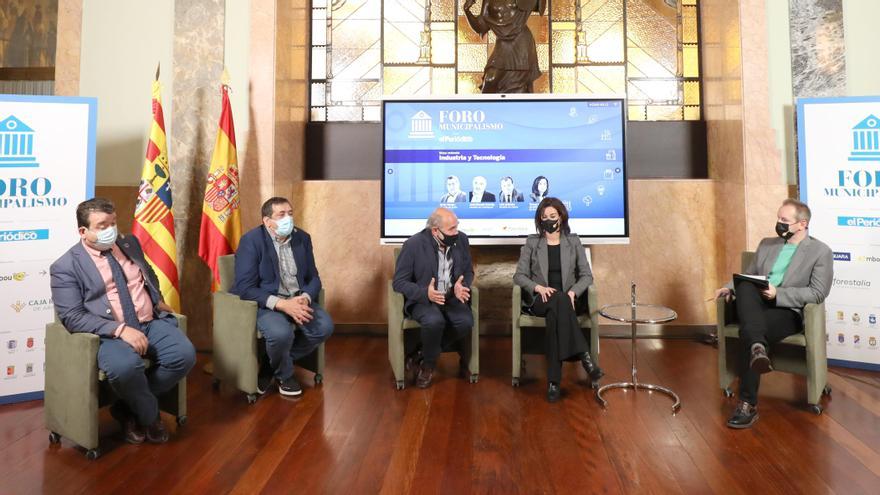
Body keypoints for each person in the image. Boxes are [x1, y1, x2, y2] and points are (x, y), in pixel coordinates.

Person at [50, 198, 196, 445]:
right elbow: (72, 317)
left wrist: (156, 299)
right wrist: (119, 329)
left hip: (149, 321)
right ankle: (149, 416)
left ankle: (127, 409)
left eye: (113, 223)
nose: (111, 230)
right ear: (83, 231)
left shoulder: (130, 243)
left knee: (184, 355)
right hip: (108, 333)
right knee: (125, 368)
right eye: (102, 225)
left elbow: (146, 273)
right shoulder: (65, 266)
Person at [714, 199, 832, 429]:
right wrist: (729, 287)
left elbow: (818, 293)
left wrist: (778, 294)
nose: (778, 224)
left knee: (751, 331)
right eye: (778, 218)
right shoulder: (767, 244)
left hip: (787, 311)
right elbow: (747, 276)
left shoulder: (820, 252)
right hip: (755, 306)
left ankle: (747, 403)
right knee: (745, 285)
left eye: (784, 221)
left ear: (802, 224)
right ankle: (758, 347)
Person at [232, 197, 334, 397]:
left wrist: (304, 297)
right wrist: (281, 304)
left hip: (298, 298)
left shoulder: (302, 238)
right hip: (267, 303)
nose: (288, 218)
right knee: (281, 334)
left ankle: (271, 365)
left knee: (324, 328)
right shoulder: (251, 241)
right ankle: (286, 375)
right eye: (281, 214)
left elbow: (313, 278)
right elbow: (245, 287)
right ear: (267, 221)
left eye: (290, 213)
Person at [513, 197, 603, 402]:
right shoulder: (532, 242)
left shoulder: (573, 241)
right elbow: (519, 276)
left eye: (552, 216)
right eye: (544, 217)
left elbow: (587, 276)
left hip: (567, 300)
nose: (549, 220)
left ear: (561, 217)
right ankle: (585, 357)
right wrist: (538, 287)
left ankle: (553, 382)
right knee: (556, 300)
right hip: (540, 299)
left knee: (558, 309)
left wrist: (573, 293)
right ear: (539, 219)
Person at [392, 208, 475, 388]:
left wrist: (463, 285)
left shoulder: (462, 240)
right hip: (424, 300)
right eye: (451, 229)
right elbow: (398, 282)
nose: (456, 232)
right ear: (435, 230)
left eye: (457, 227)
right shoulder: (413, 245)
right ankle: (428, 367)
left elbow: (468, 271)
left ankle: (420, 353)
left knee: (466, 321)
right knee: (434, 321)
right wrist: (425, 293)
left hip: (451, 298)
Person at [462, 0, 546, 93]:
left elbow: (539, 5)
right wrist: (467, 10)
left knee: (520, 86)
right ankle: (489, 107)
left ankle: (518, 106)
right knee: (490, 79)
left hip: (520, 42)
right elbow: (481, 26)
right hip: (502, 42)